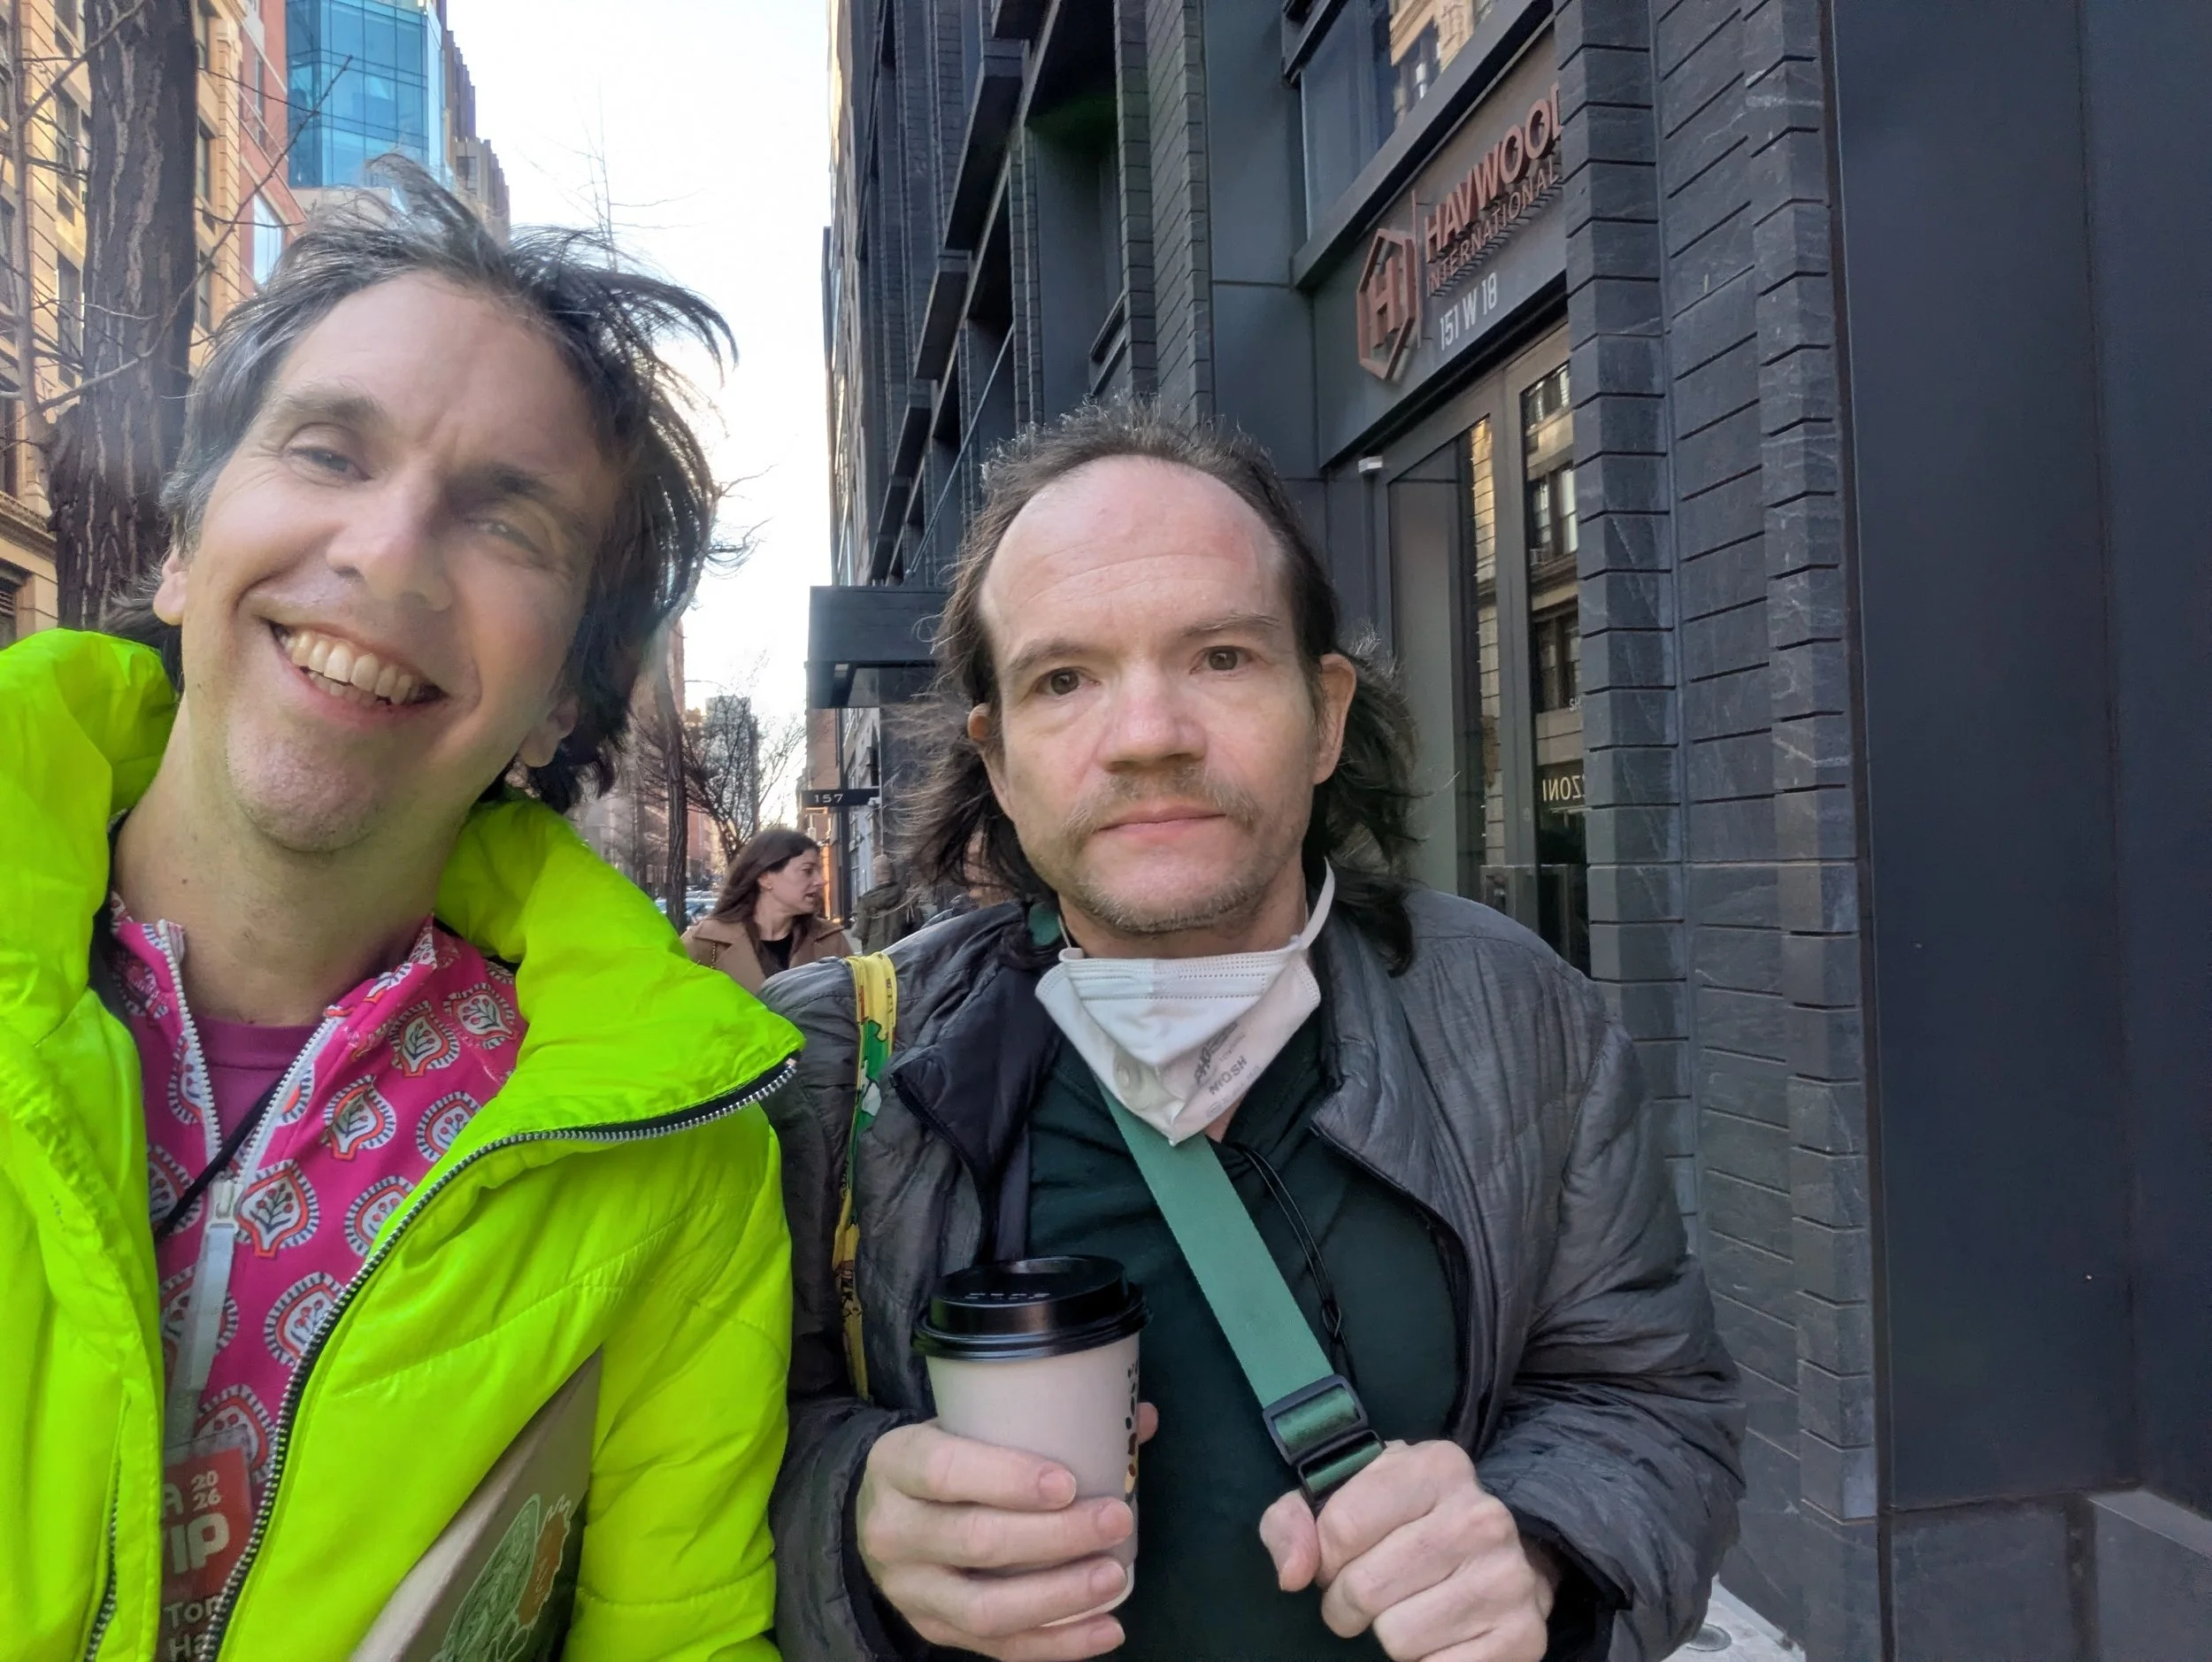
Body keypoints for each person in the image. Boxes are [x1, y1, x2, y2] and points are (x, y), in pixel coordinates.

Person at [760, 404, 1743, 1662]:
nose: (1149, 736)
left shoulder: (1519, 1017)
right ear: (997, 762)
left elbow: (1646, 1396)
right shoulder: (826, 1073)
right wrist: (851, 1520)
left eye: (1221, 657)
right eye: (1064, 680)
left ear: (1324, 714)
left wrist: (1544, 1548)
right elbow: (676, 1478)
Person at [0, 165, 800, 1658]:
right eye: (328, 451)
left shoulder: (681, 1161)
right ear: (180, 544)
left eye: (510, 524)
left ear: (563, 697)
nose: (387, 554)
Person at [685, 827, 853, 993]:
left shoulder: (831, 940)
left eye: (819, 871)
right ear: (765, 878)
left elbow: (858, 1003)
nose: (821, 881)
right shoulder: (706, 941)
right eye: (808, 871)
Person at [851, 850, 926, 955]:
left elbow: (861, 933)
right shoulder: (907, 897)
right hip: (900, 953)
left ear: (876, 875)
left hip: (875, 957)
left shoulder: (867, 900)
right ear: (892, 872)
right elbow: (918, 928)